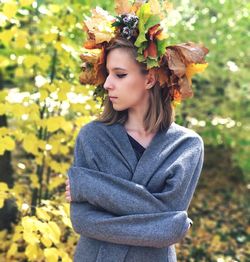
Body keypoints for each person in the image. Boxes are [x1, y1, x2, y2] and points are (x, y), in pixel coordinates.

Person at [66, 1, 209, 261]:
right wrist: (158, 223)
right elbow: (83, 221)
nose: (108, 84)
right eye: (108, 74)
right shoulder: (92, 137)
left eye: (119, 75)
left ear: (149, 79)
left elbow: (167, 230)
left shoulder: (187, 146)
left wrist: (88, 185)